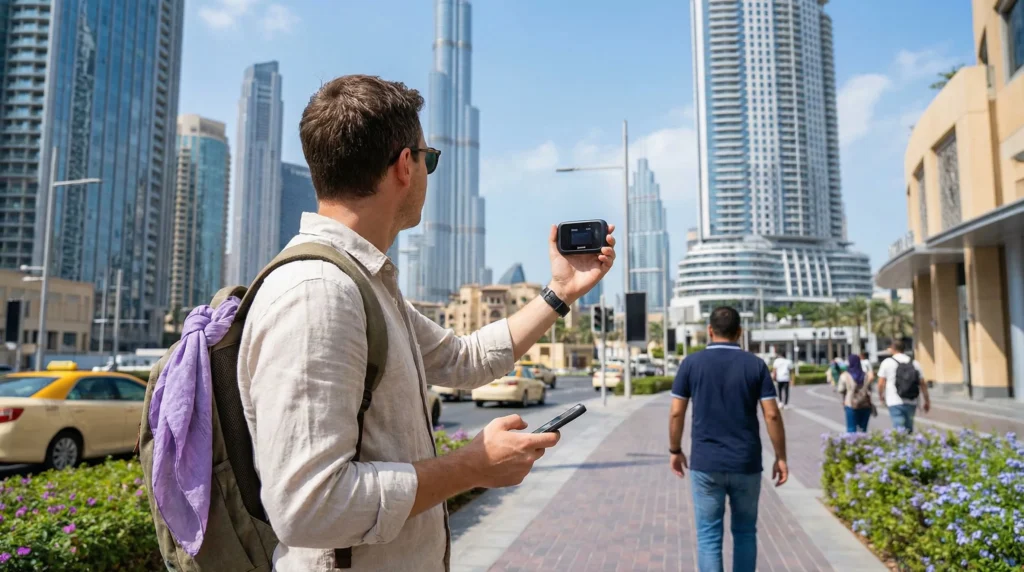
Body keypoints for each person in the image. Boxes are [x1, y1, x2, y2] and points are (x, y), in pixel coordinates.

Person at [237, 75, 616, 571]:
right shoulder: (319, 294)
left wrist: (561, 291)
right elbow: (309, 507)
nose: (427, 174)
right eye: (428, 159)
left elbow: (464, 359)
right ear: (404, 166)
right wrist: (471, 466)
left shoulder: (365, 283)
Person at [669, 306, 788, 572]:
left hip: (705, 463)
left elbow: (677, 413)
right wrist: (781, 457)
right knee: (745, 532)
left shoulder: (691, 364)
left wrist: (675, 450)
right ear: (740, 333)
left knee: (709, 536)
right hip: (746, 462)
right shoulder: (755, 365)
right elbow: (772, 416)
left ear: (709, 331)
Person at [877, 339, 929, 432]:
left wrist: (881, 396)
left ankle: (901, 445)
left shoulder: (887, 362)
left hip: (894, 400)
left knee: (898, 428)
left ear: (893, 348)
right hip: (911, 400)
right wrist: (927, 400)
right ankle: (909, 445)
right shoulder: (914, 363)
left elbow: (881, 383)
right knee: (909, 428)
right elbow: (923, 384)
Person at [837, 354, 874, 433]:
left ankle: (853, 444)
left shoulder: (845, 375)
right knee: (863, 429)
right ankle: (863, 444)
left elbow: (840, 389)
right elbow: (870, 388)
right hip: (865, 403)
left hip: (850, 403)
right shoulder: (866, 375)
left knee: (851, 428)